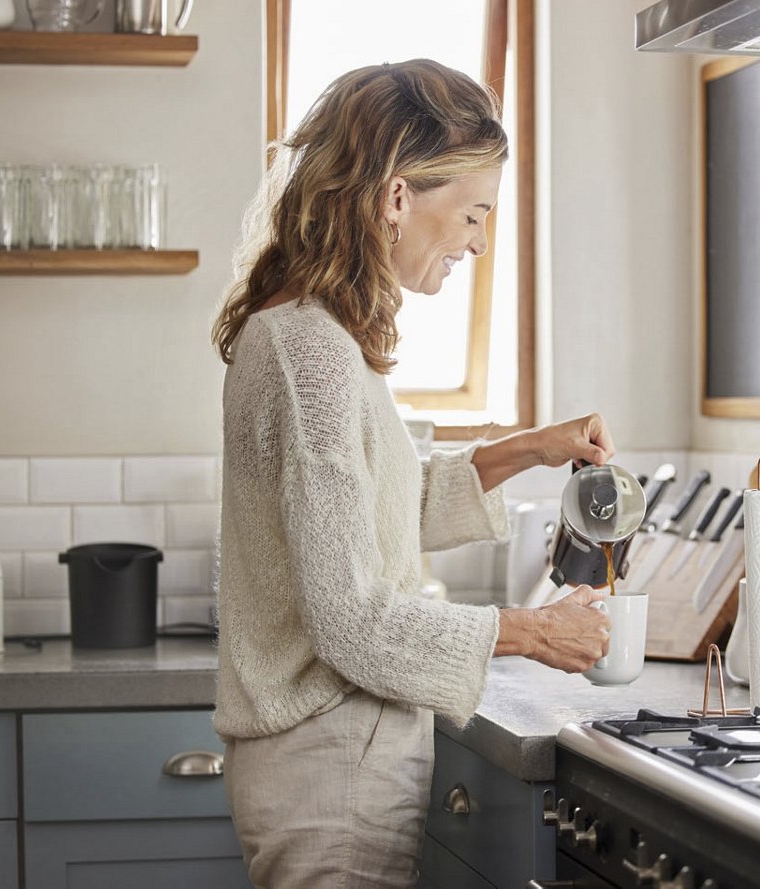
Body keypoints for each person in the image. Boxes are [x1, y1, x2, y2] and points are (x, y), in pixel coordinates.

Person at [209, 59, 612, 888]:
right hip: (332, 767)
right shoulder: (313, 353)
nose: (478, 240)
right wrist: (534, 632)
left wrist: (528, 447)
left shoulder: (309, 330)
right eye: (471, 212)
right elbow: (352, 618)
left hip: (329, 758)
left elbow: (376, 515)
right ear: (397, 197)